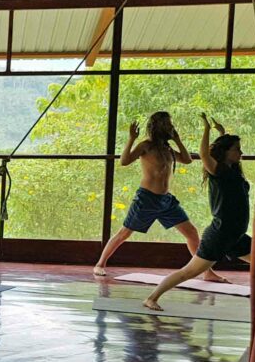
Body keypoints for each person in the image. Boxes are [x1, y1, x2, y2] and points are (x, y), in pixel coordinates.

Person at [93, 111, 228, 282]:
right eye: (166, 124)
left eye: (170, 124)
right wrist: (132, 139)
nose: (170, 127)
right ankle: (100, 263)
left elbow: (186, 160)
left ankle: (206, 272)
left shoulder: (168, 148)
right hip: (146, 199)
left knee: (192, 233)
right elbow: (124, 161)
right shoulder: (146, 146)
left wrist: (177, 140)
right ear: (157, 126)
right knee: (124, 232)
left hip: (166, 201)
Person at [144, 114, 251, 310]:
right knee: (188, 272)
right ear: (226, 153)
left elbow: (220, 149)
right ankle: (152, 298)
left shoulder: (232, 170)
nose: (241, 152)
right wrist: (207, 130)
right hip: (219, 236)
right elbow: (204, 154)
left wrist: (221, 133)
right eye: (237, 149)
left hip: (236, 235)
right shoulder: (218, 171)